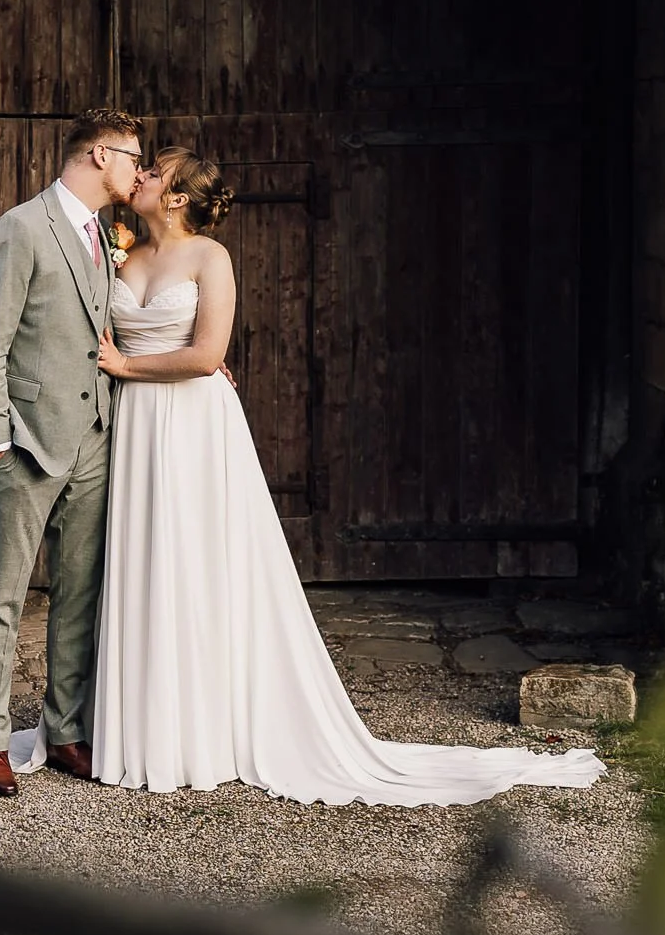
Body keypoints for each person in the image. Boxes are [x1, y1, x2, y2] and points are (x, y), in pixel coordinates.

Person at [45, 145, 606, 804]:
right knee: (145, 562)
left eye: (153, 171)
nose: (138, 176)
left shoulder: (209, 258)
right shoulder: (119, 252)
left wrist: (125, 368)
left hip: (191, 426)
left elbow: (205, 356)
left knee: (196, 563)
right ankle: (142, 724)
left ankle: (198, 728)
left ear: (175, 196)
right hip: (138, 425)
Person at [0, 107, 144, 797]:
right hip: (27, 445)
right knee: (3, 596)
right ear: (99, 154)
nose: (139, 168)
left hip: (94, 438)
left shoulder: (103, 231)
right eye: (132, 156)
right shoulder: (20, 227)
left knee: (79, 595)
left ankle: (63, 728)